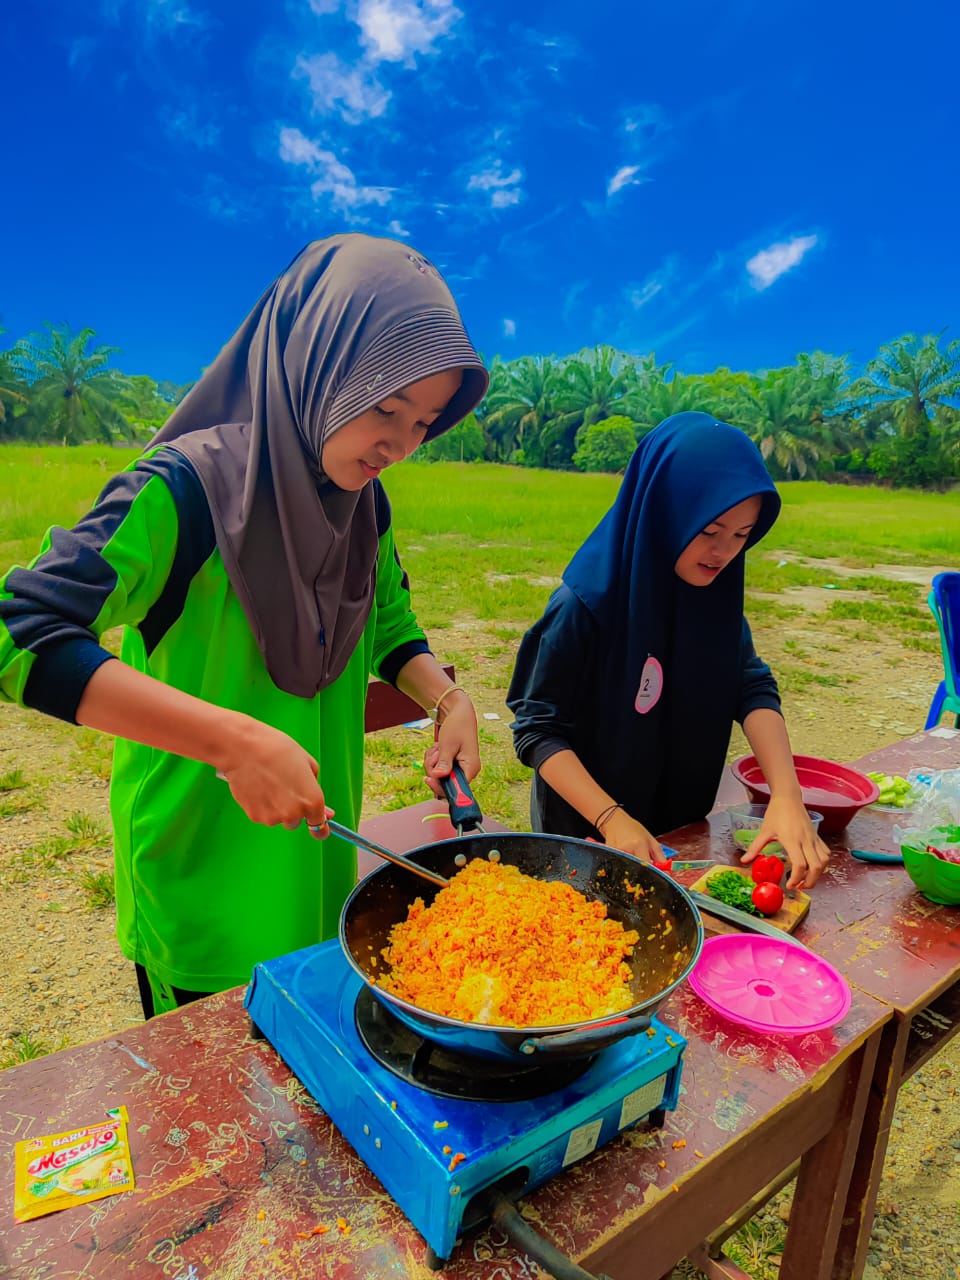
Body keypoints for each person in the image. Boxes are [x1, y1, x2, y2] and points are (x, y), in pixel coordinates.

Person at [0, 233, 489, 1016]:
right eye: (385, 408)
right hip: (203, 892)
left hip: (319, 879)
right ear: (317, 362)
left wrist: (445, 699)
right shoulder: (186, 493)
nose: (398, 445)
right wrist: (229, 741)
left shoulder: (365, 502)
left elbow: (391, 624)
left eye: (425, 423)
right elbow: (20, 632)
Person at [506, 411, 829, 890]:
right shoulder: (583, 607)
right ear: (664, 511)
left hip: (677, 831)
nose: (723, 553)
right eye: (710, 531)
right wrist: (612, 817)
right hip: (584, 836)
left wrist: (787, 794)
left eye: (742, 537)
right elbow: (537, 731)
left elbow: (751, 685)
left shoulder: (714, 599)